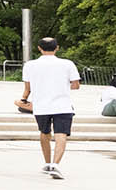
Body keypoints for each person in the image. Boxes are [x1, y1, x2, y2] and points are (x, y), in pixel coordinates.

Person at [18, 36, 81, 179]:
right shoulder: (67, 64)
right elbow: (76, 85)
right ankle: (56, 164)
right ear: (57, 47)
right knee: (61, 134)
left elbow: (27, 88)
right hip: (62, 105)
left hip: (41, 106)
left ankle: (47, 162)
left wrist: (24, 99)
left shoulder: (30, 65)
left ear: (39, 48)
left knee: (44, 132)